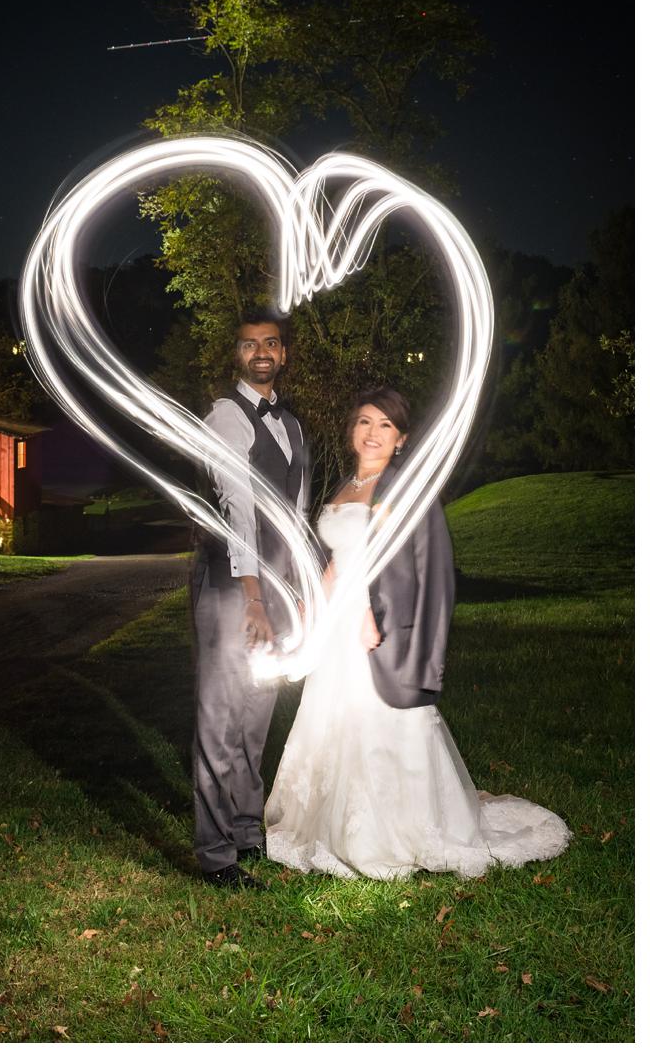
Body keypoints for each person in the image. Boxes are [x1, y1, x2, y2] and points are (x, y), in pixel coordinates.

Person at [263, 387, 569, 878]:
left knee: (379, 722)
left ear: (401, 439)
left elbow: (419, 568)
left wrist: (369, 612)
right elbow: (340, 560)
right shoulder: (344, 485)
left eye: (385, 425)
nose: (372, 433)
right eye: (365, 421)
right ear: (351, 430)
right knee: (330, 717)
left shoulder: (406, 492)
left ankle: (389, 830)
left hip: (375, 626)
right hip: (336, 623)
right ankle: (326, 824)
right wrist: (313, 602)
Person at [191, 313, 310, 890]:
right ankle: (216, 855)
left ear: (283, 354)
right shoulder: (225, 417)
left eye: (270, 344)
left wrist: (299, 592)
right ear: (236, 355)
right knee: (220, 717)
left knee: (256, 716)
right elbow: (237, 510)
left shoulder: (291, 424)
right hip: (232, 587)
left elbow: (296, 520)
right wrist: (254, 595)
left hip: (279, 589)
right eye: (248, 345)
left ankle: (246, 832)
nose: (260, 352)